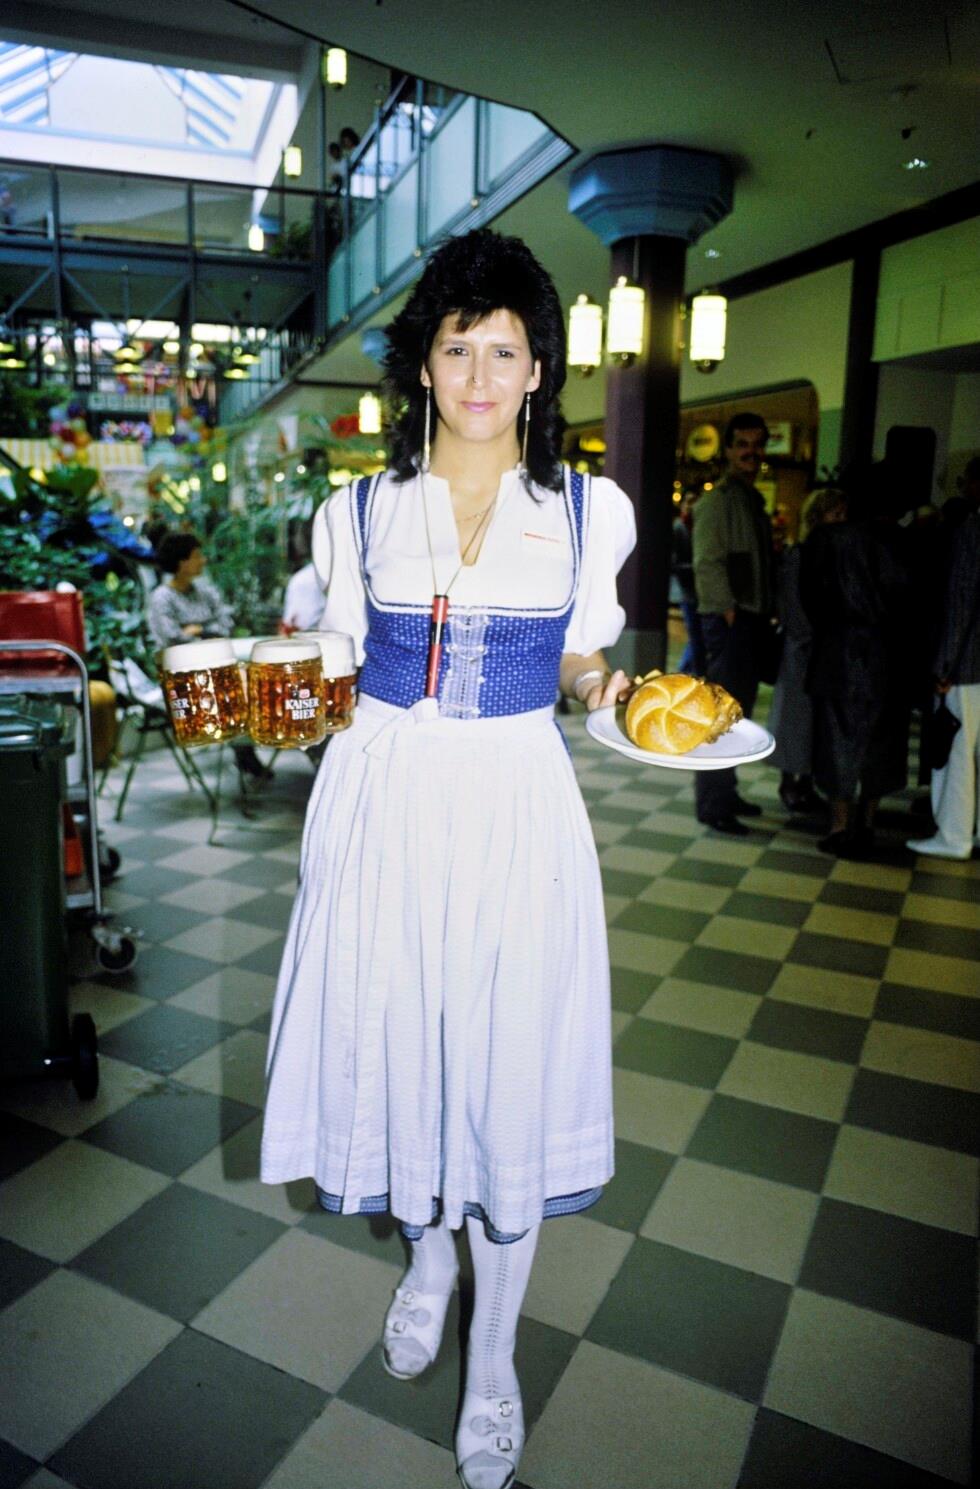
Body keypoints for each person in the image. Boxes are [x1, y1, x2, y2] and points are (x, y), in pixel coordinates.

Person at [260, 229, 635, 1489]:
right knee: (400, 1043)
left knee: (503, 1066)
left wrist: (597, 688)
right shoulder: (358, 510)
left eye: (504, 352)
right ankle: (426, 1258)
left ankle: (494, 1360)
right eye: (458, 347)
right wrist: (283, 691)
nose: (480, 375)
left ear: (537, 372)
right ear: (422, 364)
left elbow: (580, 652)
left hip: (514, 806)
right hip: (381, 803)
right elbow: (327, 658)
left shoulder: (583, 510)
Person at [800, 464, 912, 857]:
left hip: (839, 654)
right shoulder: (906, 541)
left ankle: (839, 826)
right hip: (890, 657)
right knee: (881, 745)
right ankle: (867, 823)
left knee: (837, 744)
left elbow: (810, 598)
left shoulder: (827, 539)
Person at [691, 412, 774, 833]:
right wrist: (726, 611)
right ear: (726, 450)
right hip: (730, 621)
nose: (750, 452)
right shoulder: (719, 500)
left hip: (747, 619)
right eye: (742, 444)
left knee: (737, 715)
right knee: (721, 716)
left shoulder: (749, 499)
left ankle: (728, 791)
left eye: (757, 444)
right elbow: (707, 562)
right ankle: (714, 804)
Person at [147, 531, 269, 779]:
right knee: (236, 691)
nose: (202, 560)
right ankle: (244, 750)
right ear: (181, 561)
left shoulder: (204, 592)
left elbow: (225, 623)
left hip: (216, 667)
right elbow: (171, 638)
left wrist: (197, 630)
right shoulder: (162, 598)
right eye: (196, 556)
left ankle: (245, 747)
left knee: (252, 684)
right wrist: (206, 633)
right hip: (182, 678)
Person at [907, 502, 980, 860]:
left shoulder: (972, 530)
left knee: (957, 751)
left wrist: (946, 666)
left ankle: (954, 836)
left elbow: (961, 601)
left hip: (968, 664)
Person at [768, 488, 847, 814]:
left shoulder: (833, 552)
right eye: (835, 514)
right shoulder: (799, 554)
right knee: (795, 717)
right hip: (801, 649)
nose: (841, 520)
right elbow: (793, 607)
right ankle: (790, 781)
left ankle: (805, 782)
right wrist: (811, 637)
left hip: (821, 651)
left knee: (814, 721)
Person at [671, 491, 705, 674]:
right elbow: (674, 563)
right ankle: (685, 673)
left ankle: (688, 673)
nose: (691, 506)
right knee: (695, 637)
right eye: (689, 502)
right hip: (688, 591)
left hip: (700, 592)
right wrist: (697, 567)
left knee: (697, 637)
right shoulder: (679, 527)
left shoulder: (699, 527)